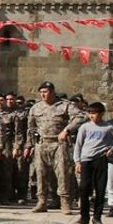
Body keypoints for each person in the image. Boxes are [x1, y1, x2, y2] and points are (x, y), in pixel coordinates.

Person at [26, 81, 87, 214]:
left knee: (63, 173)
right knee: (40, 174)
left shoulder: (65, 105)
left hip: (59, 144)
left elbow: (81, 117)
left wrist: (67, 130)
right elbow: (31, 128)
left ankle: (65, 203)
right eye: (41, 92)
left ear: (53, 92)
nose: (43, 94)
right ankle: (42, 202)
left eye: (46, 92)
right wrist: (29, 145)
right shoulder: (35, 108)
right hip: (41, 144)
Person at [73, 101, 113, 224]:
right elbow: (78, 145)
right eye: (90, 113)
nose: (92, 116)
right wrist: (77, 161)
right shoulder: (85, 127)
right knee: (84, 189)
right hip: (86, 160)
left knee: (100, 189)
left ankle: (97, 217)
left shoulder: (108, 127)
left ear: (101, 114)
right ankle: (84, 217)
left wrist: (112, 149)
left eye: (94, 113)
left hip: (101, 160)